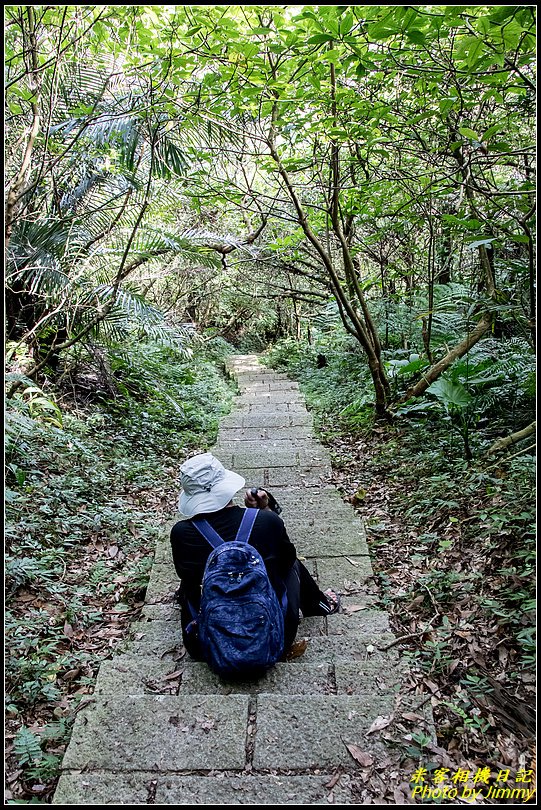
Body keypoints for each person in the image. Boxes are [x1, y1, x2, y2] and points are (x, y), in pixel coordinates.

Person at [170, 452, 340, 661]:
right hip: (272, 637)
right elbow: (286, 561)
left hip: (206, 645)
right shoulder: (267, 522)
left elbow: (187, 577)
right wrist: (265, 511)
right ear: (225, 485)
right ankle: (320, 605)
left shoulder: (181, 533)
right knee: (292, 562)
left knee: (192, 577)